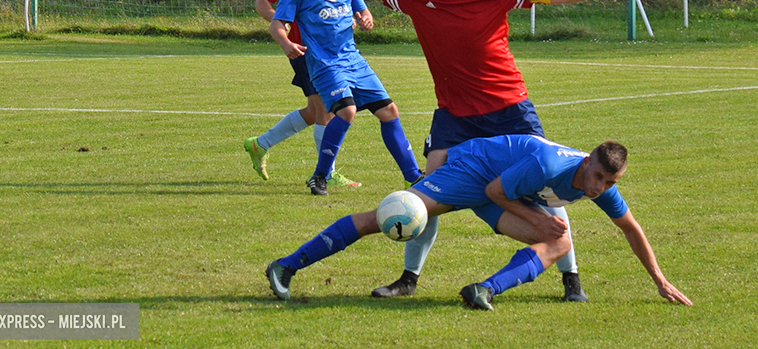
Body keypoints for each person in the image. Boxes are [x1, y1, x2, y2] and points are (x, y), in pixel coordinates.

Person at [275, 0, 653, 301]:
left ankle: (571, 280)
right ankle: (408, 278)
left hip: (509, 110)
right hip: (455, 116)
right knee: (422, 195)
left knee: (548, 188)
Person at [265, 134, 693, 309]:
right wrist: (536, 218)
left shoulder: (603, 187)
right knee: (389, 215)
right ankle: (286, 265)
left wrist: (659, 279)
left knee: (560, 242)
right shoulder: (550, 164)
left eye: (609, 182)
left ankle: (482, 290)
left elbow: (631, 228)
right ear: (587, 162)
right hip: (472, 171)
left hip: (502, 187)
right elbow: (493, 191)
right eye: (598, 176)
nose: (600, 187)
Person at [270, 0, 423, 196]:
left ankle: (413, 176)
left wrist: (366, 19)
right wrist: (286, 43)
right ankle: (320, 177)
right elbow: (277, 24)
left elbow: (363, 11)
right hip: (324, 64)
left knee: (389, 112)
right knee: (347, 111)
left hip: (354, 61)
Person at [243, 0, 359, 188]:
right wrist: (284, 25)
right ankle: (327, 173)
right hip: (303, 49)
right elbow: (262, 3)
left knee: (314, 110)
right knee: (325, 110)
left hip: (329, 50)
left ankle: (260, 144)